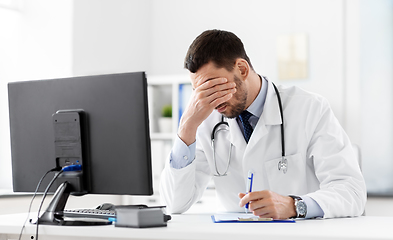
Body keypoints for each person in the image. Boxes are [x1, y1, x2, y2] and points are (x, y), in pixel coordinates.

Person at [159, 29, 366, 219]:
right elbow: (175, 204)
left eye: (214, 87)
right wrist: (186, 127)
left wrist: (295, 206)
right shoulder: (205, 122)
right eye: (201, 92)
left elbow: (352, 192)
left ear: (242, 69)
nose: (210, 101)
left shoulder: (310, 108)